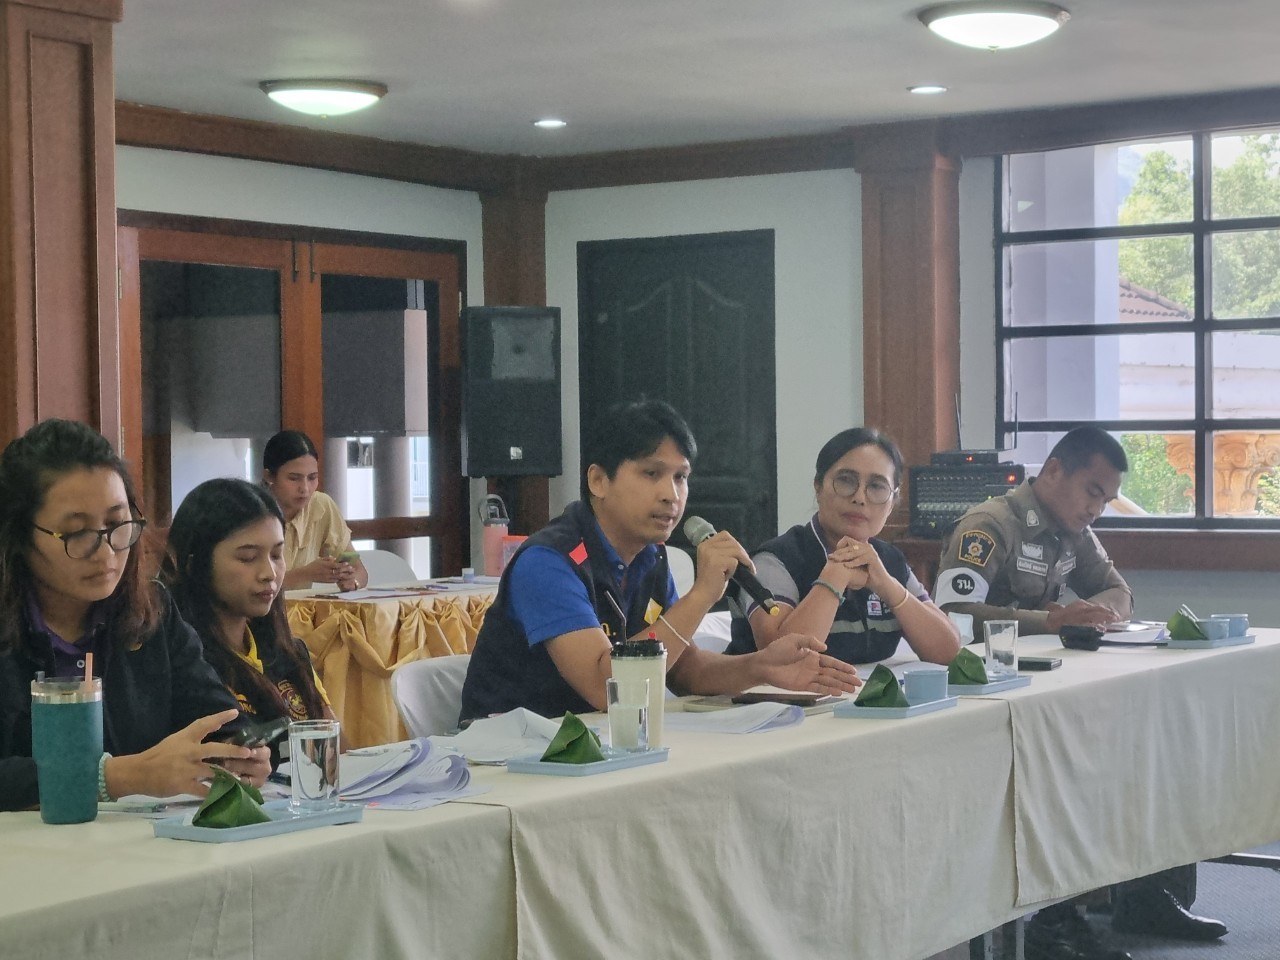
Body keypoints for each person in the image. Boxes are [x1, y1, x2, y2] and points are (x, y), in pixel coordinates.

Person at [933, 427, 1225, 960]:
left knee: (1153, 744)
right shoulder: (988, 526)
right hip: (990, 696)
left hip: (1053, 688)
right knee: (1075, 772)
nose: (1097, 509)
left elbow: (1119, 592)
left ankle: (1143, 893)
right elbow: (949, 618)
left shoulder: (1074, 530)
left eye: (1107, 500)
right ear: (1053, 472)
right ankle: (1052, 922)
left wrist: (1097, 613)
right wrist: (1049, 621)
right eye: (1093, 492)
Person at [460, 400, 860, 722]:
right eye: (651, 474)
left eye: (681, 477)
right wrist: (702, 595)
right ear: (598, 481)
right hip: (510, 753)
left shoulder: (651, 558)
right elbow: (604, 687)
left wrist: (760, 667)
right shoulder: (548, 562)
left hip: (598, 744)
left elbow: (685, 671)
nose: (672, 495)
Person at [0, 419, 269, 812]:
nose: (106, 552)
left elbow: (215, 715)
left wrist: (237, 751)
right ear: (19, 536)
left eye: (117, 524)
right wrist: (118, 777)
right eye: (77, 533)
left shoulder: (153, 613)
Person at [725, 427, 959, 663]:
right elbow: (783, 659)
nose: (860, 497)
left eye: (877, 486)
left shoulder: (890, 561)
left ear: (892, 503)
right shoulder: (773, 561)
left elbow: (948, 652)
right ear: (818, 487)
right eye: (846, 481)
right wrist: (835, 578)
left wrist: (887, 586)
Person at [161, 478, 334, 764]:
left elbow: (334, 751)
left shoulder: (290, 652)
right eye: (248, 558)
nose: (269, 573)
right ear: (193, 562)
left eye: (277, 555)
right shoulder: (182, 665)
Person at [262, 430, 368, 592]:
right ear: (269, 476)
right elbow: (244, 587)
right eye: (293, 478)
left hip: (301, 606)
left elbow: (359, 570)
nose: (305, 488)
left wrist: (351, 580)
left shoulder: (321, 505)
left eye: (312, 478)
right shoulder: (250, 510)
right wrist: (304, 574)